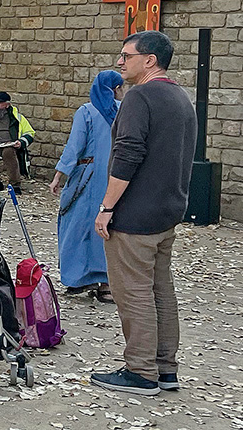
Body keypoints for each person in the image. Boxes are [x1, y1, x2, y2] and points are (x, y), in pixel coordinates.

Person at [90, 31, 197, 397]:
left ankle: (140, 372)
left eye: (126, 55)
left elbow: (128, 154)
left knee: (133, 292)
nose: (120, 62)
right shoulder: (181, 98)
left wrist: (106, 207)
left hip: (135, 216)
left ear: (149, 60)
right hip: (166, 213)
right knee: (160, 291)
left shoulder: (139, 97)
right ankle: (166, 369)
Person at [49, 70, 124, 302]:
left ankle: (79, 277)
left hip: (87, 178)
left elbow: (75, 145)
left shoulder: (87, 112)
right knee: (109, 229)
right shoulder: (124, 111)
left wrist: (59, 175)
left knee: (77, 226)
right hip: (116, 179)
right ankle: (107, 283)